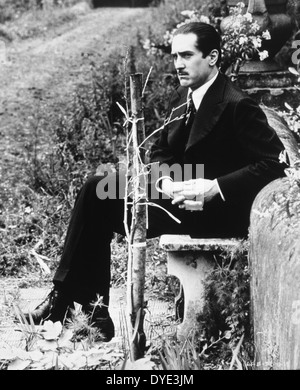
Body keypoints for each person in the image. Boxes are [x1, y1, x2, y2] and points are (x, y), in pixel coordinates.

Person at [23, 22, 287, 342]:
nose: (178, 63)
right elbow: (160, 150)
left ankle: (80, 308)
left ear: (213, 57)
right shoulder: (183, 94)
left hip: (211, 209)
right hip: (176, 193)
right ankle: (88, 309)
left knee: (99, 194)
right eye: (175, 55)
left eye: (187, 55)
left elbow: (274, 164)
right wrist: (164, 182)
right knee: (99, 187)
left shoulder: (236, 104)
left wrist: (215, 188)